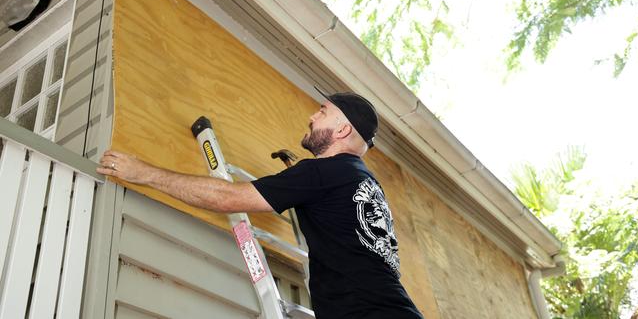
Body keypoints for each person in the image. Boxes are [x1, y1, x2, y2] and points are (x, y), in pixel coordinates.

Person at [97, 88, 423, 319]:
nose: (312, 116)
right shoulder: (362, 180)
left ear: (342, 128)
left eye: (322, 111)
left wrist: (144, 173)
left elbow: (228, 197)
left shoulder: (325, 173)